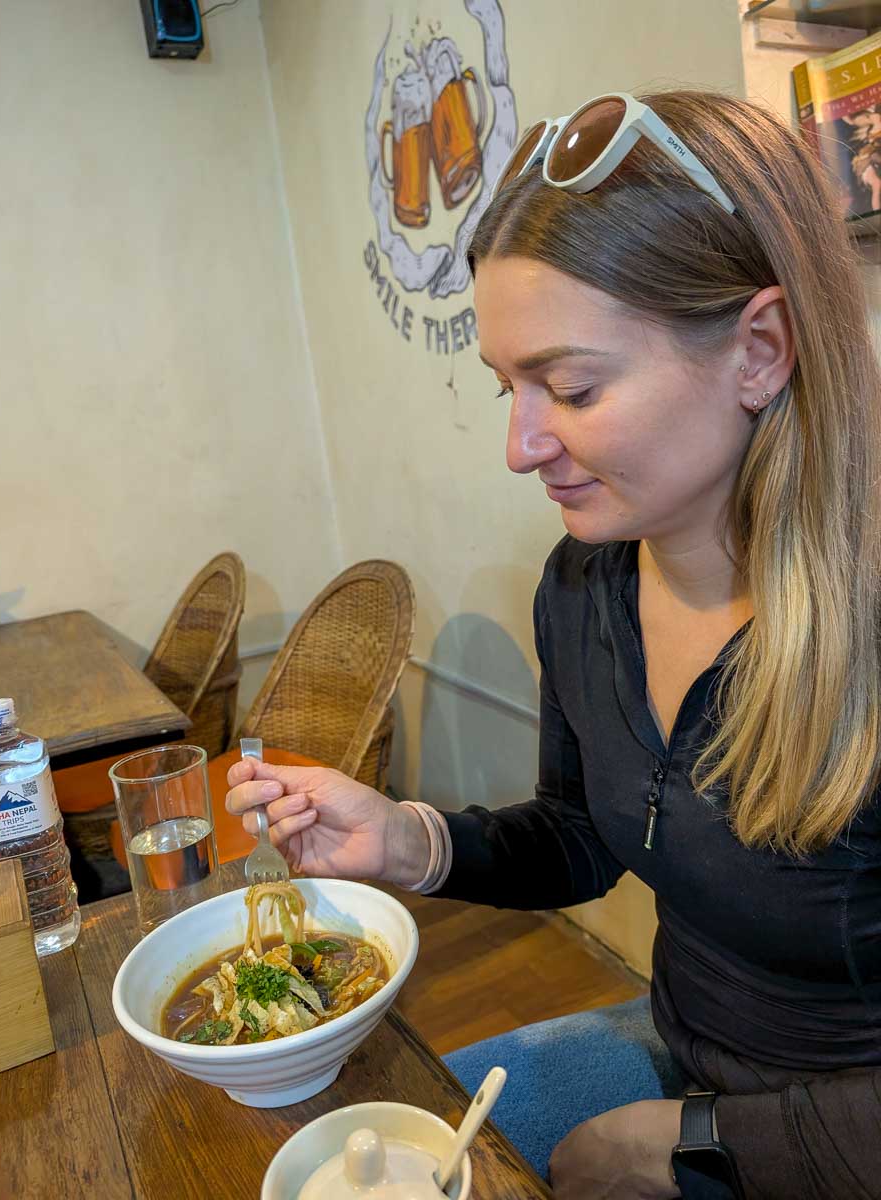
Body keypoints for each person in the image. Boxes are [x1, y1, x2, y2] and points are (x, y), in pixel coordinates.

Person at [227, 90, 881, 1200]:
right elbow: (590, 833)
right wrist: (409, 841)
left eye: (570, 386)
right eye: (506, 387)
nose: (523, 444)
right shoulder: (585, 585)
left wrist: (684, 1143)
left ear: (759, 350)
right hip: (681, 1053)